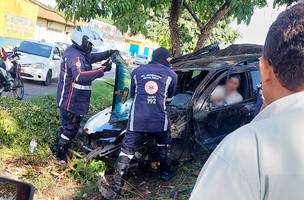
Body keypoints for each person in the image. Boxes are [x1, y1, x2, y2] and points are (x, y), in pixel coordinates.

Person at [190, 3, 304, 200]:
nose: (234, 83)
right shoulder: (225, 93)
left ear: (264, 69)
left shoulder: (247, 149)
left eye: (236, 81)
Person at [106, 47, 177, 198]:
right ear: (165, 59)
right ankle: (165, 173)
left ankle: (116, 187)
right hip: (159, 120)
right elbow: (169, 100)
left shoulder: (137, 72)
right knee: (164, 145)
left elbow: (133, 95)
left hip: (137, 120)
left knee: (127, 150)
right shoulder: (171, 74)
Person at [55, 26, 117, 164]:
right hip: (71, 101)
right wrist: (101, 70)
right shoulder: (74, 56)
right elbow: (79, 76)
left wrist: (108, 53)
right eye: (89, 44)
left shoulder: (80, 52)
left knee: (68, 127)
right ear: (81, 40)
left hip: (76, 100)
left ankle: (59, 146)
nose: (90, 46)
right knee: (70, 130)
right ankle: (60, 156)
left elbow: (92, 57)